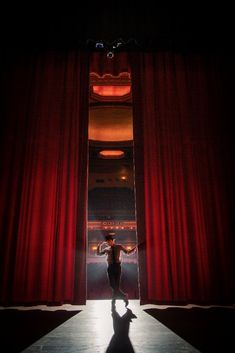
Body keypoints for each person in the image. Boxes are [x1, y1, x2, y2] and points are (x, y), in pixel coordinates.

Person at [97, 233, 137, 307]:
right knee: (113, 285)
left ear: (113, 241)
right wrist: (99, 246)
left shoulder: (119, 246)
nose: (108, 243)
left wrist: (134, 249)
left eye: (109, 241)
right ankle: (124, 296)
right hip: (110, 267)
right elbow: (98, 254)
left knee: (116, 287)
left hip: (117, 267)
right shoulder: (106, 249)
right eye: (107, 242)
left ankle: (113, 302)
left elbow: (127, 252)